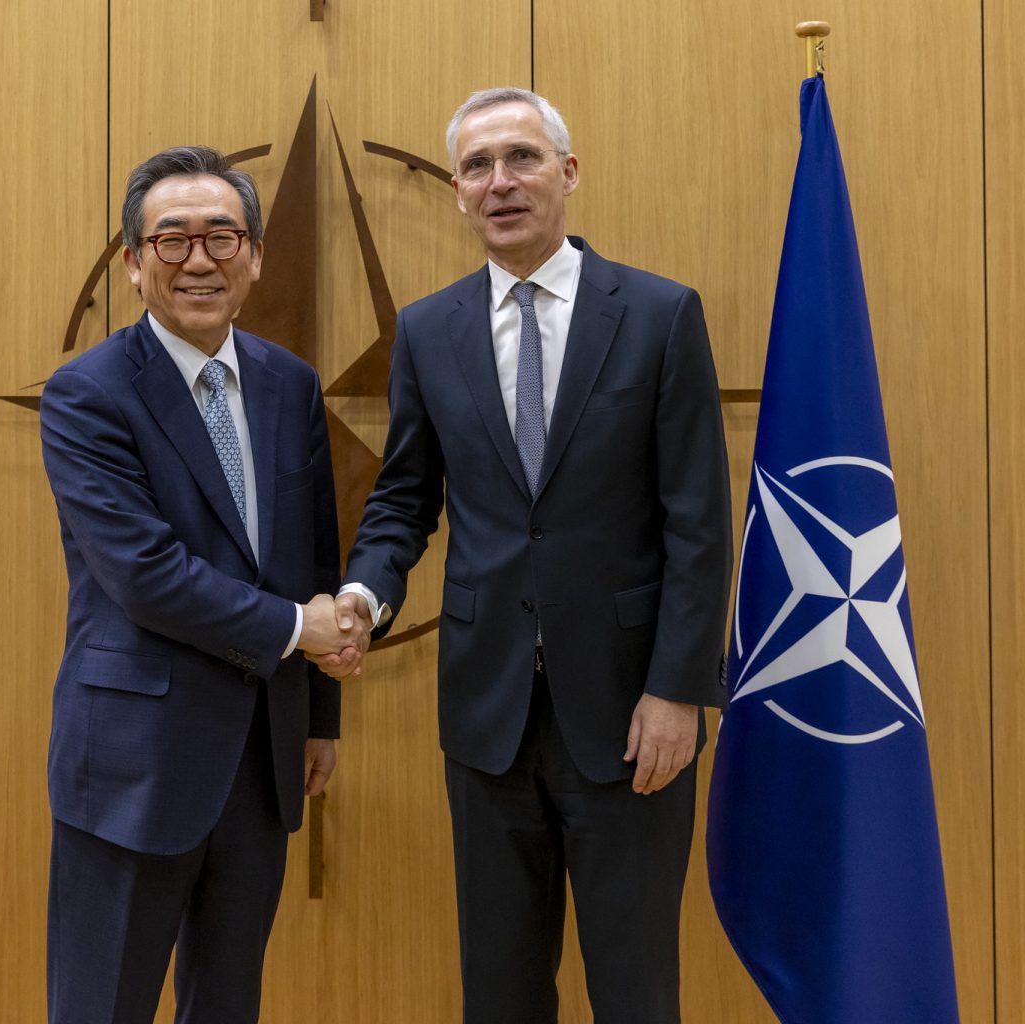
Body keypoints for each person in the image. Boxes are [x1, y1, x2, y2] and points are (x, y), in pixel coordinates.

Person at [320, 88, 732, 1022]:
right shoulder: (429, 329)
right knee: (500, 993)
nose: (499, 182)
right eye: (477, 166)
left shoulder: (660, 314)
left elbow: (700, 523)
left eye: (522, 158)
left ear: (568, 173)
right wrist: (364, 596)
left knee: (635, 992)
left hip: (632, 717)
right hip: (488, 716)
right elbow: (404, 499)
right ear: (458, 191)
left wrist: (679, 691)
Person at [39, 145, 366, 1024]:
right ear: (133, 262)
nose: (199, 260)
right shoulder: (87, 393)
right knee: (101, 1006)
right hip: (133, 762)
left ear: (254, 257)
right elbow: (144, 575)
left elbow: (314, 560)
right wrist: (299, 629)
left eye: (223, 237)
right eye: (172, 238)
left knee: (228, 1004)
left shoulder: (288, 383)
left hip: (262, 758)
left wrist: (318, 719)